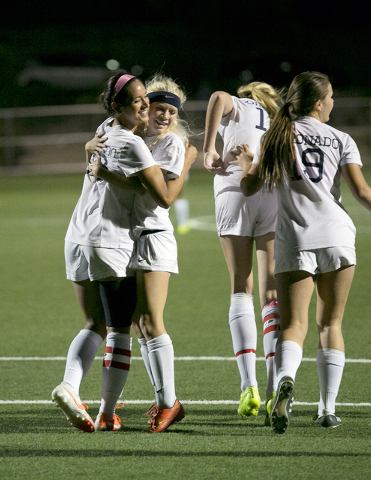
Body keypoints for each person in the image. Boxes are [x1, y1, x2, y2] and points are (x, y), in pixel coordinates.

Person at [51, 72, 196, 433]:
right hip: (112, 241)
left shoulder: (116, 130)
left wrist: (188, 156)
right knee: (120, 328)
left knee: (128, 324)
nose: (155, 112)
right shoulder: (133, 141)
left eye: (166, 110)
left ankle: (118, 405)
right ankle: (105, 407)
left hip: (101, 237)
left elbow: (162, 195)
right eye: (148, 104)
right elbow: (158, 192)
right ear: (122, 107)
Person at [232, 71, 371, 434]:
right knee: (331, 324)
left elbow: (248, 187)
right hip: (337, 236)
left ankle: (286, 382)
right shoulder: (341, 138)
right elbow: (362, 193)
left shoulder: (276, 136)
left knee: (293, 325)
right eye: (331, 98)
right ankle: (327, 409)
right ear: (318, 102)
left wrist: (247, 162)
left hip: (295, 239)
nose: (334, 103)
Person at [203, 82, 283, 424]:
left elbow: (218, 97)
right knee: (271, 294)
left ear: (248, 94)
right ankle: (273, 387)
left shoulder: (243, 105)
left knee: (241, 287)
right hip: (271, 189)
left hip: (236, 186)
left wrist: (209, 148)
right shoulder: (279, 119)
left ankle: (248, 384)